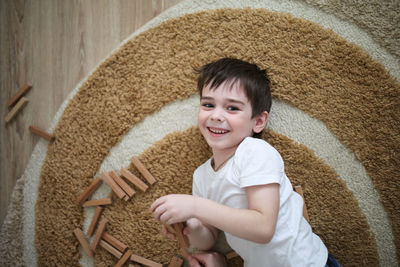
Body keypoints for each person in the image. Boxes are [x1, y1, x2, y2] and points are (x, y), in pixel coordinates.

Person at [150, 58, 339, 266]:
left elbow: (263, 228)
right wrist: (192, 225)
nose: (216, 115)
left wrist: (195, 206)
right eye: (208, 104)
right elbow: (209, 239)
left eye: (232, 108)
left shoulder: (254, 152)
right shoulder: (201, 175)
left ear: (258, 122)